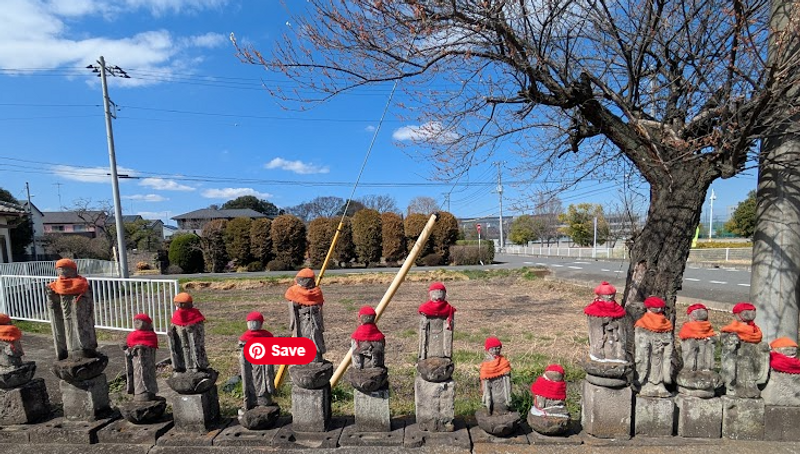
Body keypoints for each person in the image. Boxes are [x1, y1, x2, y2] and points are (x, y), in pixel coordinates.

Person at [46, 258, 97, 361]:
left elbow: (87, 301)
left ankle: (85, 351)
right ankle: (67, 352)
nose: (63, 273)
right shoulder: (56, 285)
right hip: (64, 317)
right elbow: (53, 305)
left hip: (80, 317)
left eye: (66, 270)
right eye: (60, 270)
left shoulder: (81, 284)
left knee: (81, 334)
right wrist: (51, 296)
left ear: (74, 271)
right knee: (66, 333)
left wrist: (79, 302)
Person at [720, 302, 769, 397]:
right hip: (738, 357)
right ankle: (735, 386)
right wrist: (731, 341)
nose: (750, 314)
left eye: (752, 311)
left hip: (752, 358)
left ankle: (751, 387)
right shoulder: (731, 329)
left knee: (751, 372)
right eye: (746, 312)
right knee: (738, 373)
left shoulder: (756, 330)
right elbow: (725, 343)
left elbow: (759, 344)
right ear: (737, 314)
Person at [633, 296, 674, 397]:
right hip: (650, 353)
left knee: (659, 363)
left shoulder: (666, 324)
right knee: (646, 360)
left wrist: (663, 344)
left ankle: (659, 384)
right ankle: (646, 382)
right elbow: (641, 345)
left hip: (659, 353)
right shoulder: (643, 323)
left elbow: (669, 343)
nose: (659, 309)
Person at [285, 268, 325, 362]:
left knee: (315, 339)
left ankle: (316, 357)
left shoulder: (316, 291)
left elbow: (320, 305)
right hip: (302, 320)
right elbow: (291, 302)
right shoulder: (294, 291)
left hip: (314, 320)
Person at [584, 281, 627, 362]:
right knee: (606, 349)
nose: (610, 297)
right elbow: (594, 325)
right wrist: (604, 321)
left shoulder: (617, 308)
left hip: (614, 335)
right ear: (600, 296)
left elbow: (621, 322)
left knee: (616, 349)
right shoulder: (594, 308)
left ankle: (619, 356)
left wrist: (616, 325)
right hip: (603, 337)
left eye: (612, 295)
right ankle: (598, 354)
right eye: (607, 295)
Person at [168, 292, 209, 373]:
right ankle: (183, 366)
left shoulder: (195, 313)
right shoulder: (177, 314)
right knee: (183, 350)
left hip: (192, 340)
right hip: (181, 339)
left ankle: (195, 366)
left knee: (194, 351)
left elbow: (199, 328)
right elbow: (174, 324)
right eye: (179, 303)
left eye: (189, 303)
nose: (191, 304)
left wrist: (192, 328)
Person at [124, 313, 159, 401]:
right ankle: (139, 393)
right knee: (138, 376)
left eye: (140, 322)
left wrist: (142, 348)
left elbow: (152, 348)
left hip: (148, 362)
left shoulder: (151, 335)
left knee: (148, 375)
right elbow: (129, 347)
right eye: (135, 322)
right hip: (136, 362)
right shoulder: (132, 335)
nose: (137, 324)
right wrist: (128, 349)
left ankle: (149, 392)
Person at [418, 282, 456, 360]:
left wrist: (448, 323)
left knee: (442, 346)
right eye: (435, 293)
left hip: (442, 334)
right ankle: (423, 355)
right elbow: (423, 325)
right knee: (427, 344)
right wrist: (424, 323)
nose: (438, 297)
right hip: (430, 332)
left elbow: (449, 322)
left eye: (440, 293)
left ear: (444, 295)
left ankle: (446, 355)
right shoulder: (425, 308)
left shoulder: (448, 309)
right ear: (431, 294)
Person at [480, 337, 512, 415]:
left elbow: (506, 369)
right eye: (495, 349)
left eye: (499, 349)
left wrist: (506, 373)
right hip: (491, 386)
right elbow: (484, 373)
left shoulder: (502, 360)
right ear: (489, 350)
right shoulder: (487, 362)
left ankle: (501, 409)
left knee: (501, 401)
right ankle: (489, 409)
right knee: (489, 398)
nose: (497, 351)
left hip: (501, 387)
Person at [350, 306, 385, 370]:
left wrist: (356, 368)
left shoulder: (356, 336)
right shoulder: (379, 336)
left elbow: (355, 354)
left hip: (361, 369)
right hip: (377, 369)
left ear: (360, 318)